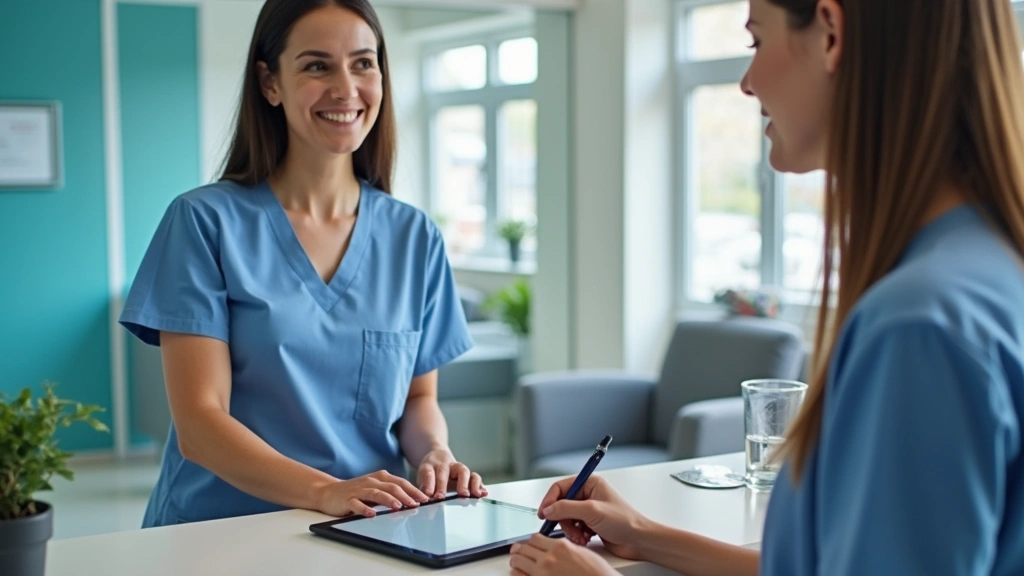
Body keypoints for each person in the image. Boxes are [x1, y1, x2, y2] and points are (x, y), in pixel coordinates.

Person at [510, 0, 1024, 574]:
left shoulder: (918, 327)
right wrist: (646, 536)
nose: (747, 83)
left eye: (756, 41)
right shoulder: (987, 271)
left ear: (830, 33)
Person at [119, 0, 487, 528]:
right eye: (317, 65)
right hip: (219, 532)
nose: (346, 88)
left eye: (363, 63)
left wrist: (434, 452)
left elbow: (418, 398)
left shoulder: (414, 236)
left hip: (369, 527)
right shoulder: (203, 222)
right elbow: (200, 423)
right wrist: (325, 491)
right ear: (270, 84)